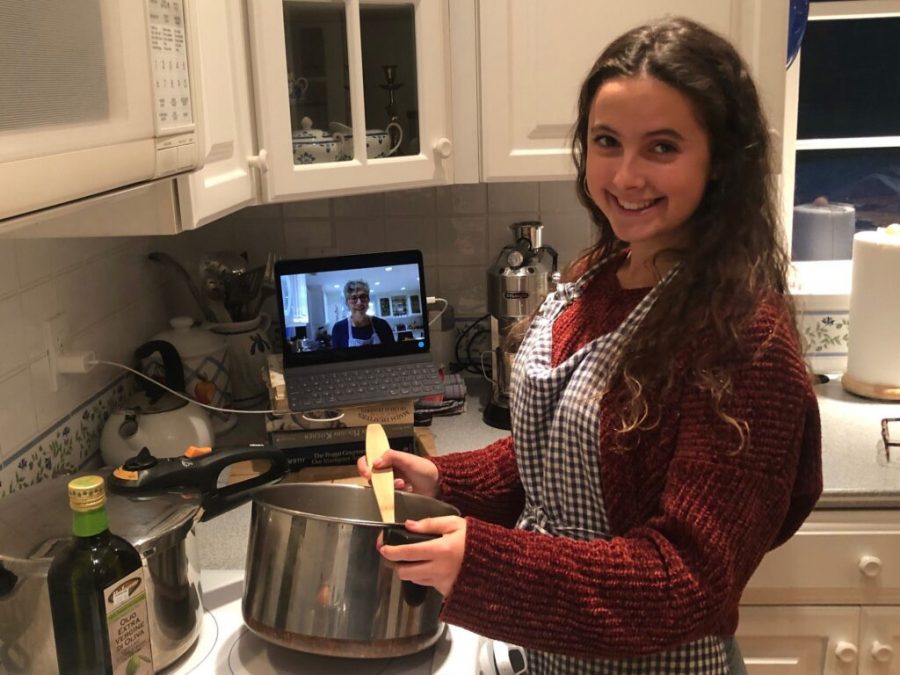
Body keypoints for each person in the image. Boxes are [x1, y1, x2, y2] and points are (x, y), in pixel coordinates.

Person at [358, 16, 822, 674]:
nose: (626, 175)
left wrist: (482, 563)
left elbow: (684, 580)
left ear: (721, 160)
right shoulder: (600, 276)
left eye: (662, 147)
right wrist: (443, 481)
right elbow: (556, 453)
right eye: (608, 141)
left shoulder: (744, 338)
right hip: (552, 655)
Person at [330, 279, 395, 348]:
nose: (359, 302)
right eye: (354, 298)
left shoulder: (382, 325)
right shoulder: (339, 329)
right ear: (347, 303)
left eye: (363, 297)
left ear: (368, 300)